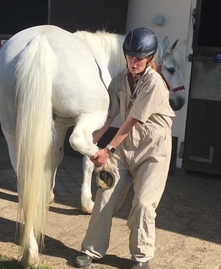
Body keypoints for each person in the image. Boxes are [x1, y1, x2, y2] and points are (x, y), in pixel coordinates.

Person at [75, 27, 176, 269]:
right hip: (125, 149)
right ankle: (91, 250)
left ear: (150, 58)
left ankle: (141, 258)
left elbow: (130, 122)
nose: (134, 62)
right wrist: (92, 142)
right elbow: (110, 115)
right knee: (104, 196)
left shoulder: (155, 83)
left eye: (140, 58)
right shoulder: (120, 79)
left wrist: (107, 149)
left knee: (143, 204)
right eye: (130, 56)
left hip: (153, 153)